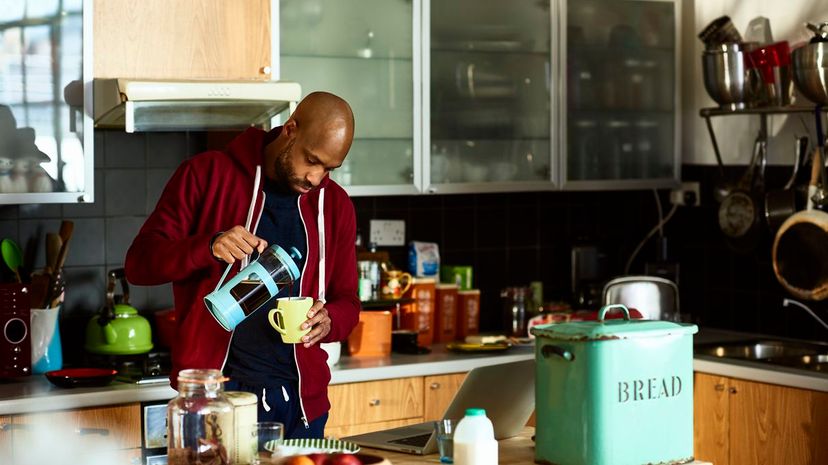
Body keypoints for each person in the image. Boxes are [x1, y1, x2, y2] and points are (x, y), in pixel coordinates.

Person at [124, 91, 360, 439]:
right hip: (214, 401)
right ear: (290, 129)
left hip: (301, 406)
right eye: (311, 160)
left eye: (328, 168)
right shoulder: (205, 174)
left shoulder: (336, 205)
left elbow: (348, 302)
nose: (315, 178)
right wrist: (208, 247)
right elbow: (139, 264)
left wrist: (330, 320)